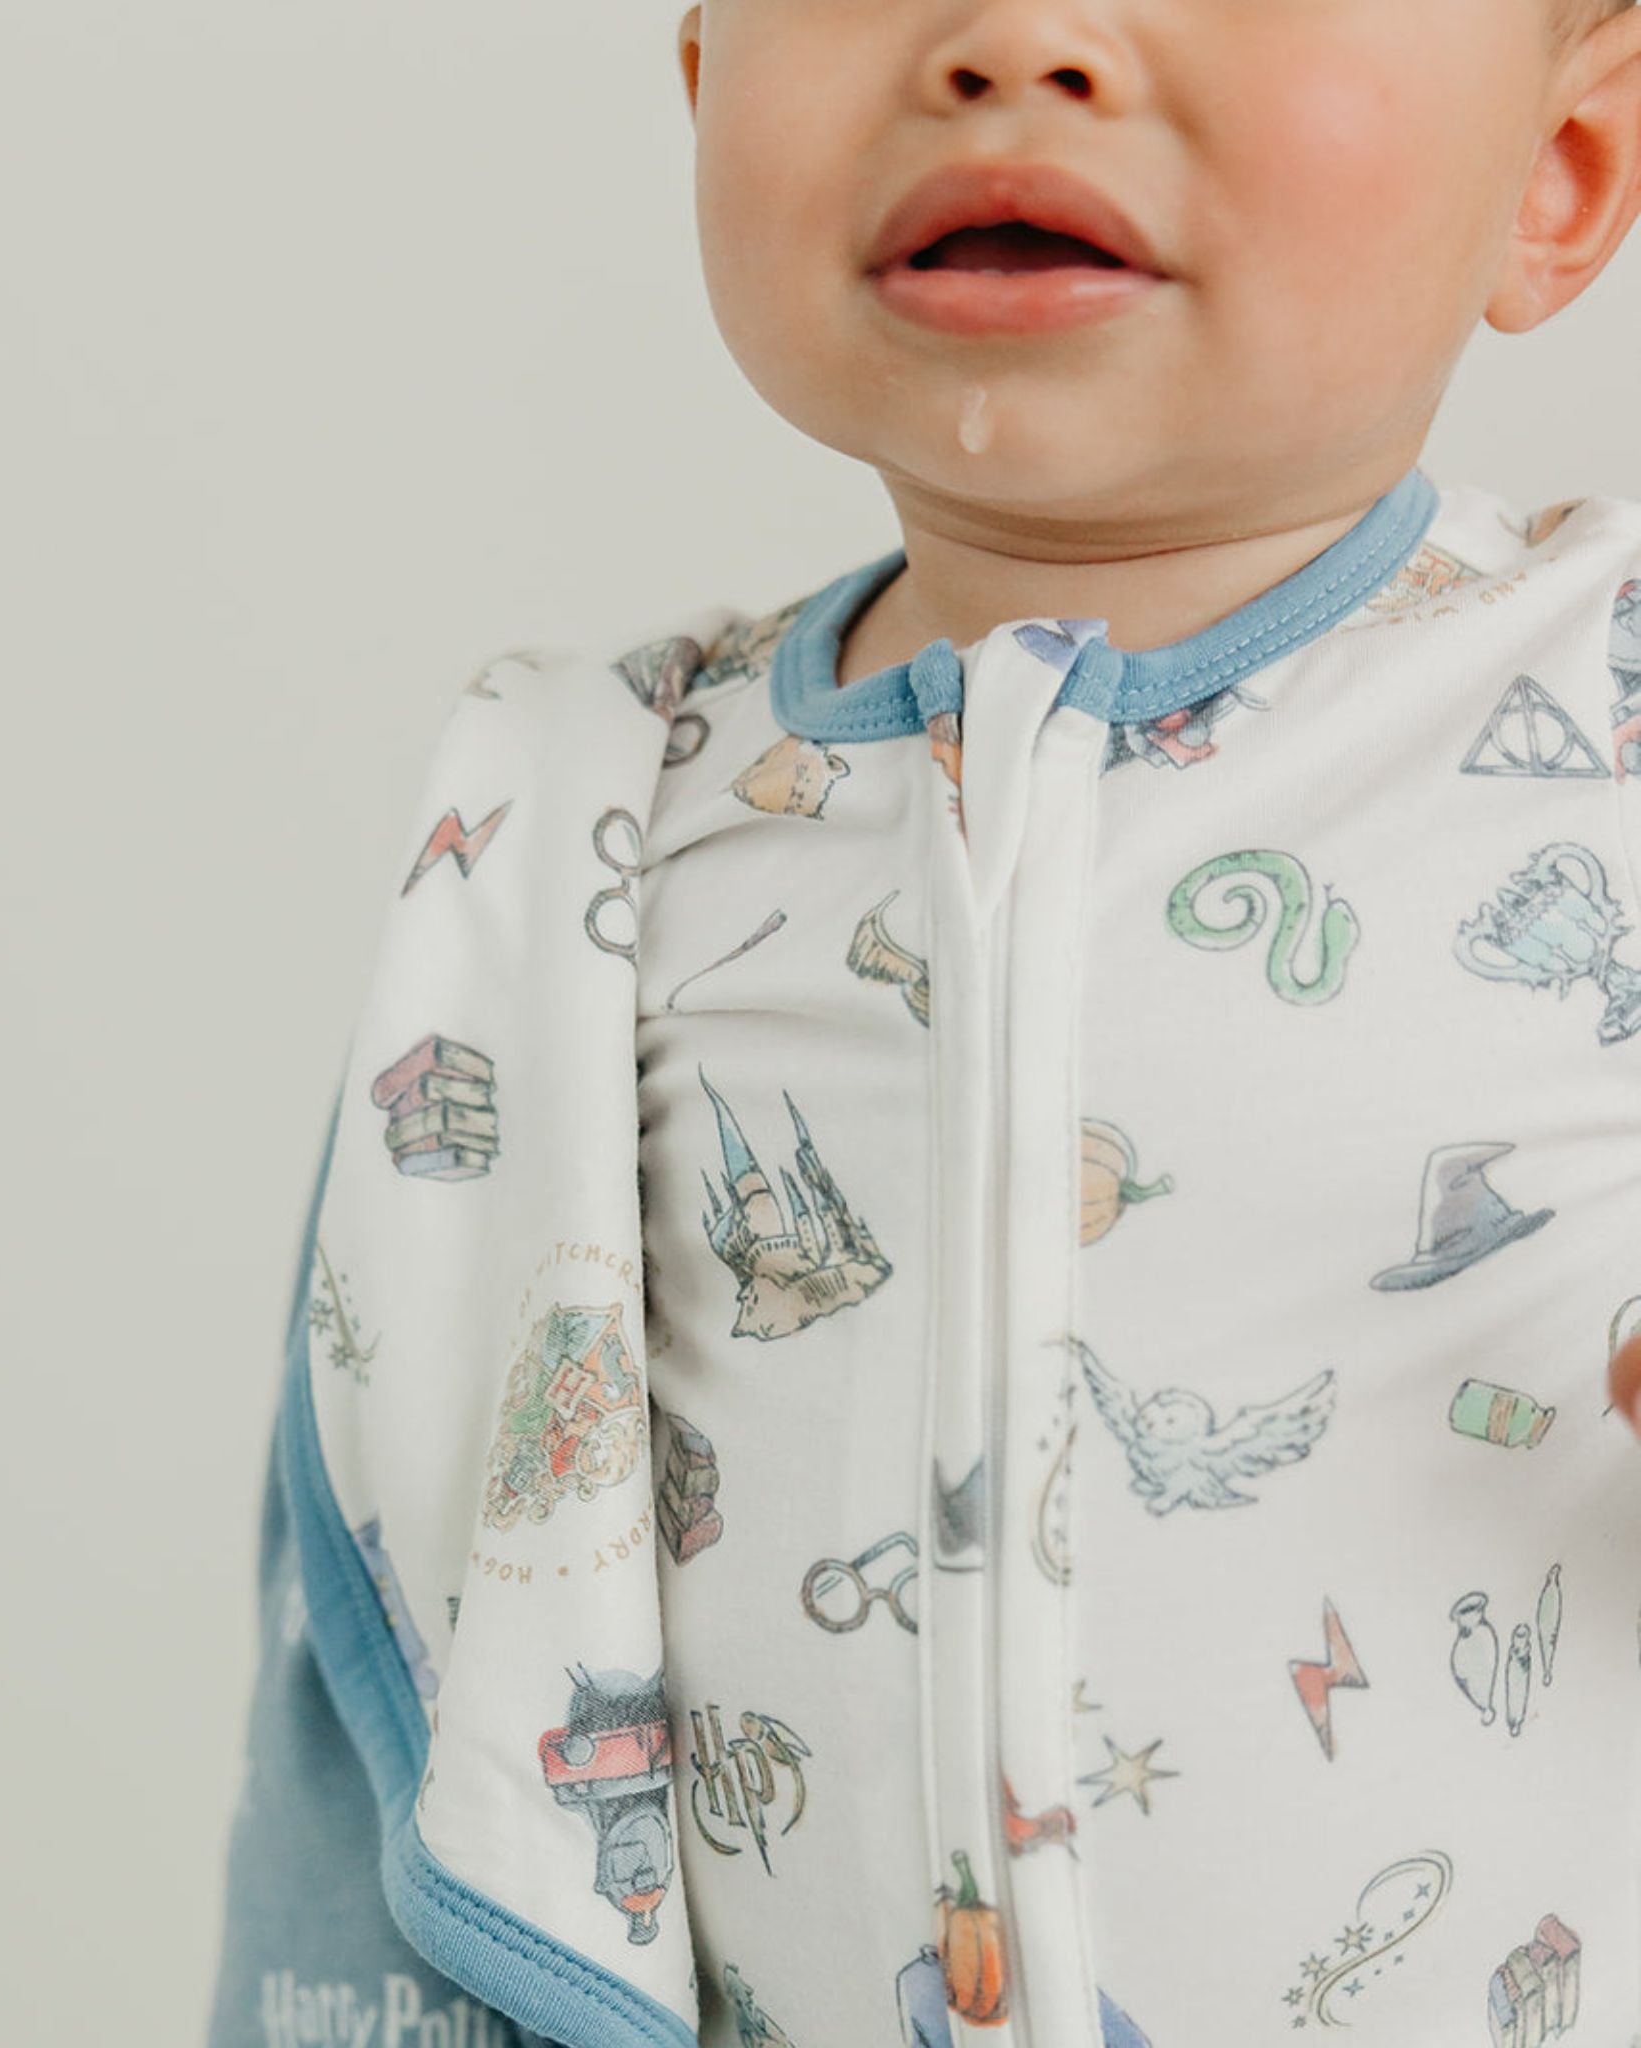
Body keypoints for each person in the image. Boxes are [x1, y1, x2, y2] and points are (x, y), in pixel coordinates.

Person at [207, 6, 1641, 2047]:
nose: (1016, 38)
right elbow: (393, 1674)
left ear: (1559, 172)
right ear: (705, 88)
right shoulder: (574, 839)